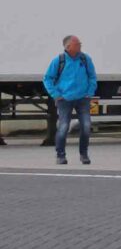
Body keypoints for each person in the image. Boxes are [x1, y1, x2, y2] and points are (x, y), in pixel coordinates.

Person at [43, 35, 98, 166]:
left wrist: (89, 92)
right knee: (63, 127)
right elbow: (47, 78)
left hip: (82, 99)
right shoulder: (59, 60)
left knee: (86, 126)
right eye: (77, 44)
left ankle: (84, 154)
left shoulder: (85, 59)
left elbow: (92, 77)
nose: (80, 45)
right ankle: (60, 155)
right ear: (68, 47)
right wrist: (56, 95)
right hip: (64, 99)